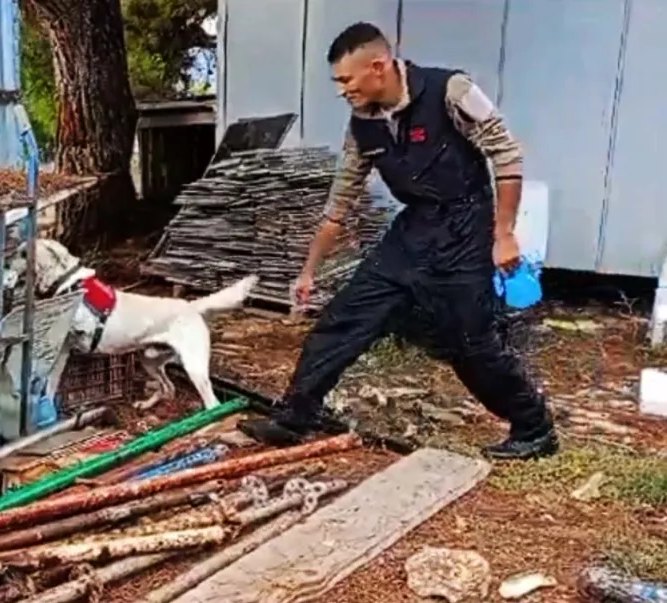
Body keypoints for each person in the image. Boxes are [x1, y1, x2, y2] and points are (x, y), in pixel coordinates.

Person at [239, 22, 557, 461]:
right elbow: (339, 203)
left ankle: (534, 428)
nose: (341, 91)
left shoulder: (452, 90)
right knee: (345, 317)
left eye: (345, 80)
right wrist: (308, 271)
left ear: (377, 66)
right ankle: (295, 417)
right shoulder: (361, 126)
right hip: (414, 230)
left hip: (468, 225)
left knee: (471, 342)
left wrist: (503, 234)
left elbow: (507, 153)